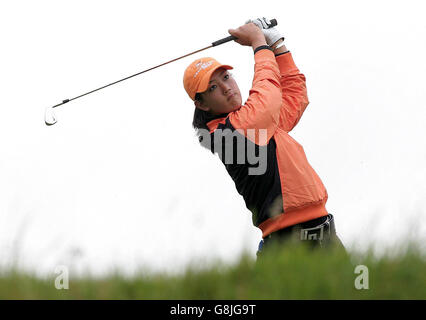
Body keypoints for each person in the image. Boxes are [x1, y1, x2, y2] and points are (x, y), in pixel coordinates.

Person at [183, 18, 346, 258]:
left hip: (324, 234)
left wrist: (276, 43)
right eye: (213, 88)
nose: (227, 88)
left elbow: (292, 96)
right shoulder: (227, 133)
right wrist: (259, 44)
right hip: (288, 244)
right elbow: (268, 99)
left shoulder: (255, 121)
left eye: (226, 77)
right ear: (201, 104)